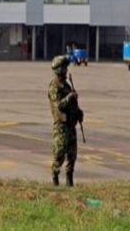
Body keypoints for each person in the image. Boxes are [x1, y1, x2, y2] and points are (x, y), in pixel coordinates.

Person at [48, 55, 83, 187]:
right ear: (59, 70)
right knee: (59, 153)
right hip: (61, 125)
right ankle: (55, 177)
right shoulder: (54, 87)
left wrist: (79, 113)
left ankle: (69, 178)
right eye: (64, 68)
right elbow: (59, 105)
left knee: (72, 154)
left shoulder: (66, 85)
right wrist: (70, 97)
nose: (66, 70)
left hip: (70, 124)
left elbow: (72, 105)